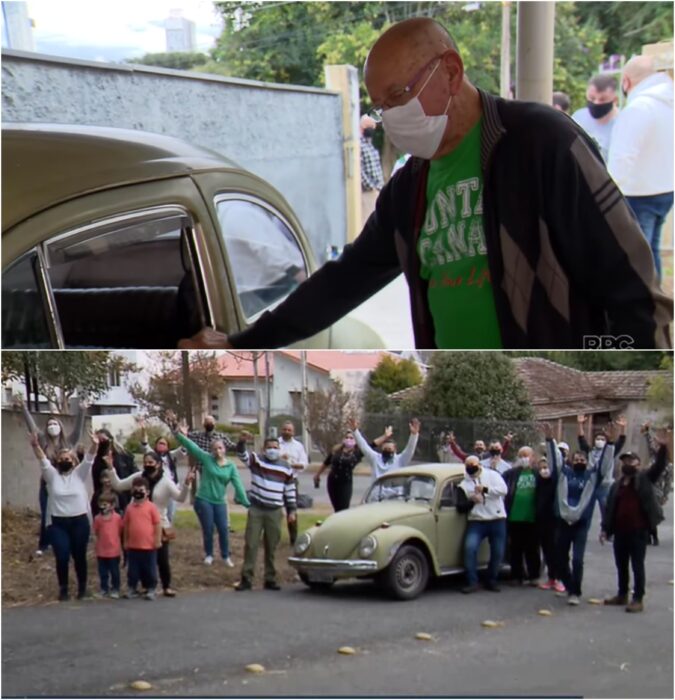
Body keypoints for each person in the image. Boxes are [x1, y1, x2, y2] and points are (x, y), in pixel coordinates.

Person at [178, 18, 671, 352]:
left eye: (400, 95)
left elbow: (630, 283)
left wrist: (628, 362)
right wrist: (244, 344)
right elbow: (344, 279)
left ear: (451, 72)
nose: (391, 115)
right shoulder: (409, 187)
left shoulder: (541, 142)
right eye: (381, 104)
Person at [608, 56, 674, 282]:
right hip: (665, 189)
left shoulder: (639, 108)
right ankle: (656, 300)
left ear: (626, 81)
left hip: (637, 194)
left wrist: (607, 194)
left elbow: (622, 158)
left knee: (637, 257)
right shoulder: (668, 103)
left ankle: (646, 304)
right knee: (651, 250)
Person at [168, 412, 250, 568]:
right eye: (215, 448)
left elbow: (238, 485)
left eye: (220, 448)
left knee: (224, 529)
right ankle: (209, 554)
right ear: (211, 450)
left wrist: (246, 503)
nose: (218, 451)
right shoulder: (206, 458)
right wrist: (175, 429)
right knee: (208, 529)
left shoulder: (230, 466)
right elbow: (188, 443)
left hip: (220, 501)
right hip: (204, 499)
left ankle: (226, 556)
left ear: (224, 449)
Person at [108, 448, 193, 597]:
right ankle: (145, 586)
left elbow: (180, 498)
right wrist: (110, 468)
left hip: (159, 523)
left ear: (159, 464)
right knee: (140, 558)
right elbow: (118, 485)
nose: (148, 465)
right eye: (146, 462)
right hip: (139, 522)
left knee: (162, 558)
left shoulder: (166, 482)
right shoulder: (138, 478)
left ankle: (166, 586)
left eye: (151, 462)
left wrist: (186, 484)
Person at [600, 432, 670, 613]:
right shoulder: (617, 484)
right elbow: (610, 509)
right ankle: (622, 594)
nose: (627, 464)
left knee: (637, 565)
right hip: (620, 532)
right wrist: (605, 530)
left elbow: (660, 466)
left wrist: (663, 447)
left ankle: (638, 598)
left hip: (638, 532)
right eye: (625, 461)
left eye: (631, 461)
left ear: (638, 464)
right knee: (621, 564)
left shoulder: (645, 479)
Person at [550, 423, 618, 606]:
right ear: (571, 461)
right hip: (563, 522)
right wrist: (550, 440)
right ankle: (568, 584)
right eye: (576, 458)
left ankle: (575, 592)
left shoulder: (592, 477)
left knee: (578, 559)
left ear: (587, 462)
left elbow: (604, 465)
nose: (580, 460)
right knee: (560, 558)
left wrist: (611, 443)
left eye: (583, 459)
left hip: (581, 523)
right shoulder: (564, 474)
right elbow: (554, 462)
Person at [28, 428, 98, 602]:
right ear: (57, 461)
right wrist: (35, 445)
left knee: (79, 555)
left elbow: (89, 459)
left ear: (74, 461)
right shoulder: (51, 476)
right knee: (62, 555)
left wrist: (95, 444)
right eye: (61, 458)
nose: (64, 460)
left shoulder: (79, 474)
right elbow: (42, 460)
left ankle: (82, 589)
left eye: (68, 458)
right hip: (58, 524)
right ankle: (63, 589)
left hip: (79, 521)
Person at [18, 398, 87, 557]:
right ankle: (44, 544)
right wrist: (23, 408)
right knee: (46, 514)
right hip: (47, 483)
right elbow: (32, 427)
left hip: (67, 484)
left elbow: (78, 430)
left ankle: (67, 541)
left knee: (66, 515)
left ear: (60, 427)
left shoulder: (68, 442)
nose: (52, 427)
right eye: (49, 424)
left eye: (55, 424)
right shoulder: (43, 441)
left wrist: (82, 410)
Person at [235, 433, 297, 591]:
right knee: (251, 543)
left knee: (272, 545)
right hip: (257, 508)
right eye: (269, 447)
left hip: (275, 510)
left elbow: (290, 490)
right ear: (264, 449)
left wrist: (292, 511)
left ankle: (270, 578)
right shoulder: (257, 461)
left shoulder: (286, 467)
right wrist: (242, 441)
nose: (272, 450)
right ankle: (246, 578)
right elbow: (242, 455)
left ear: (279, 449)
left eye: (275, 448)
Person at [456, 454, 508, 593]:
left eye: (473, 465)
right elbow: (460, 507)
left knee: (498, 552)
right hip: (477, 520)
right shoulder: (464, 484)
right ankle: (472, 581)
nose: (471, 468)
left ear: (479, 465)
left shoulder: (492, 475)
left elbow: (504, 490)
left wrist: (485, 489)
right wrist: (472, 500)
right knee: (470, 548)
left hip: (497, 518)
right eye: (468, 466)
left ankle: (491, 580)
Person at [502, 445, 544, 586]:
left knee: (532, 548)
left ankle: (533, 576)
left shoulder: (538, 474)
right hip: (514, 516)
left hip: (533, 517)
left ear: (533, 457)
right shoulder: (511, 474)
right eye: (521, 456)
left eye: (526, 455)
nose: (524, 458)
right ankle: (516, 576)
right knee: (515, 548)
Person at [577, 414, 626, 526]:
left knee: (607, 510)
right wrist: (580, 424)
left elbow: (621, 441)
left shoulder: (610, 451)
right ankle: (583, 528)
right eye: (598, 439)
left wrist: (623, 428)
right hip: (591, 485)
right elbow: (581, 439)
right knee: (586, 509)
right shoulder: (590, 451)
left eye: (602, 439)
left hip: (605, 486)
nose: (600, 440)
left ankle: (608, 530)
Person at [122, 476, 162, 600]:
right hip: (133, 546)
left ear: (148, 492)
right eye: (135, 490)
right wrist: (125, 541)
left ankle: (151, 588)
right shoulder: (129, 509)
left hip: (149, 546)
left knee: (150, 569)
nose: (138, 493)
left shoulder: (151, 507)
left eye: (141, 490)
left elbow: (157, 524)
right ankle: (132, 587)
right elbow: (126, 526)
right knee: (132, 570)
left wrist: (157, 540)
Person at [139, 419, 186, 524]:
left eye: (163, 444)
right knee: (158, 512)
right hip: (158, 487)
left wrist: (184, 436)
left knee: (170, 513)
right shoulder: (152, 455)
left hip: (172, 486)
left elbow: (183, 449)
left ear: (168, 446)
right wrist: (143, 430)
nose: (161, 445)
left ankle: (166, 533)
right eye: (159, 443)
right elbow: (144, 445)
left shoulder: (172, 455)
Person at [350, 417, 420, 481]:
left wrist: (414, 435)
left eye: (389, 449)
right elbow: (364, 446)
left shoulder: (400, 460)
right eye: (385, 449)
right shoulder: (375, 458)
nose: (387, 450)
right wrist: (355, 431)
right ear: (381, 448)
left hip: (394, 493)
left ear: (395, 449)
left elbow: (410, 449)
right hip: (377, 493)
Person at [571, 74, 620, 162]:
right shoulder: (578, 118)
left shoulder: (622, 124)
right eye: (592, 98)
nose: (596, 103)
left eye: (603, 99)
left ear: (615, 99)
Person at [314, 430, 363, 511]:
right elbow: (326, 462)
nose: (348, 439)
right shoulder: (336, 450)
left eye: (351, 438)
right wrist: (317, 474)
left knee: (344, 507)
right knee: (336, 507)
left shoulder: (357, 452)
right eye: (347, 437)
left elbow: (372, 445)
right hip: (333, 481)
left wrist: (385, 437)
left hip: (345, 482)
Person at [92, 429, 137, 515]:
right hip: (103, 497)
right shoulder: (97, 460)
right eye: (99, 440)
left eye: (104, 440)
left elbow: (132, 473)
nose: (102, 442)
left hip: (122, 496)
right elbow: (96, 481)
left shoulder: (124, 456)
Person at [93, 493, 124, 599]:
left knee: (115, 572)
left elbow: (120, 530)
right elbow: (96, 532)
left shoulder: (117, 518)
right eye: (101, 504)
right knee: (103, 573)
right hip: (101, 551)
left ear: (112, 505)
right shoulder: (97, 519)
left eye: (105, 504)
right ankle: (104, 589)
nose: (103, 506)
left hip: (114, 552)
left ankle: (115, 589)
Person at [360, 114, 385, 226]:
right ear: (362, 127)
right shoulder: (359, 145)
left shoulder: (370, 145)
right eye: (369, 126)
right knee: (368, 224)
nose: (372, 129)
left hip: (376, 192)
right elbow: (360, 172)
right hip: (367, 193)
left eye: (373, 127)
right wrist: (371, 187)